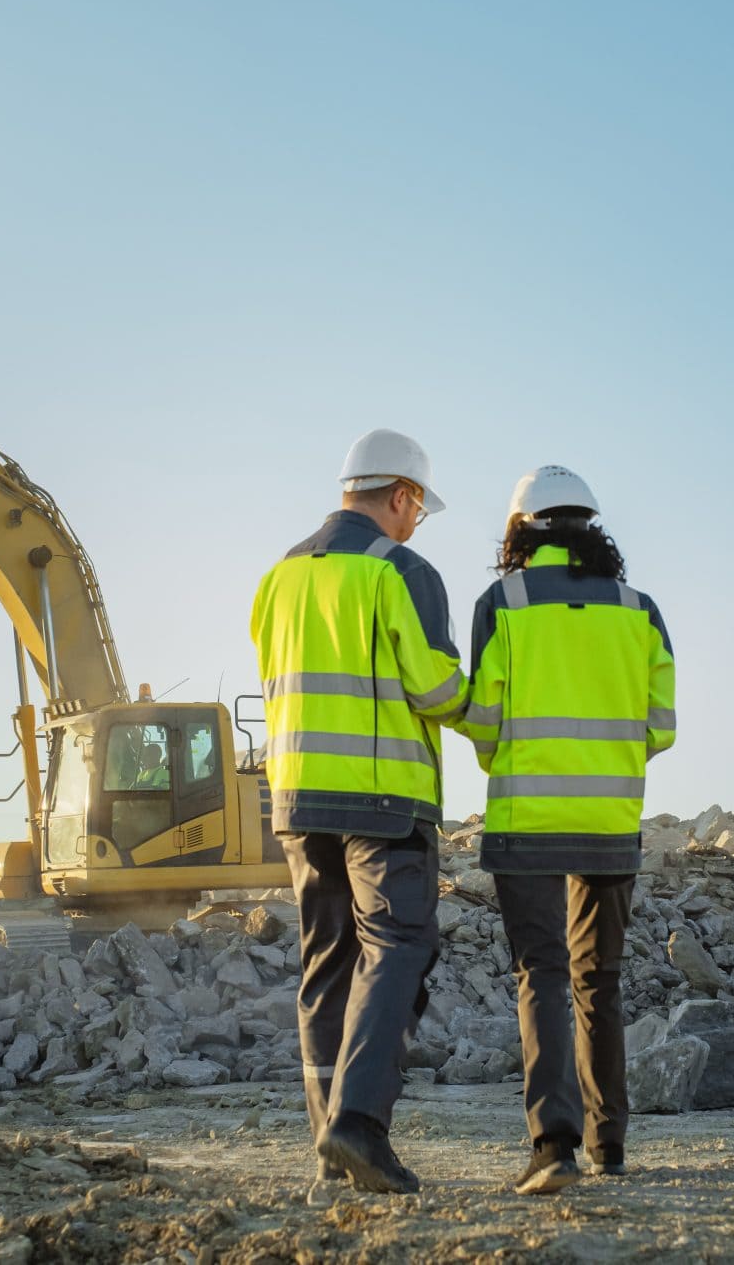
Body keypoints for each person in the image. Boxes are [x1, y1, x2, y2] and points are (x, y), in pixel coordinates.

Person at [249, 427, 467, 1195]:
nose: (417, 524)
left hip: (298, 800)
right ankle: (359, 1125)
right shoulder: (401, 570)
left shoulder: (279, 576)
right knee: (399, 946)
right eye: (419, 509)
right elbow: (436, 688)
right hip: (383, 798)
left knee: (327, 964)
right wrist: (496, 710)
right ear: (401, 495)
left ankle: (329, 1149)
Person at [457, 465, 676, 1195]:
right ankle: (609, 1145)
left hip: (527, 820)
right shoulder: (639, 609)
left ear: (519, 532)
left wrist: (508, 761)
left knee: (543, 974)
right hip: (609, 822)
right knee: (599, 980)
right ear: (593, 529)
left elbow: (483, 718)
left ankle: (553, 1146)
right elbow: (661, 727)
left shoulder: (504, 602)